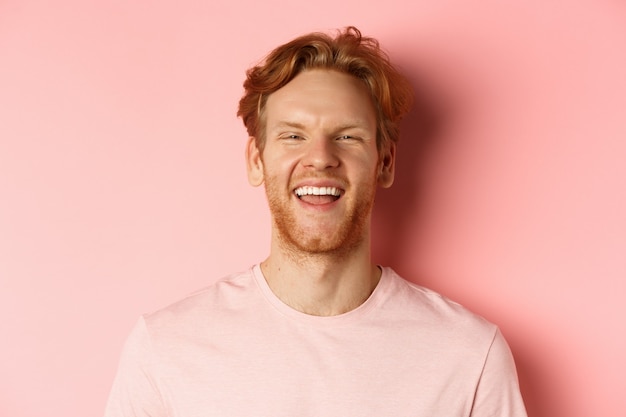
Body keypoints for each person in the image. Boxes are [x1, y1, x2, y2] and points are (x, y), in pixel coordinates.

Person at [104, 26, 527, 416]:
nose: (321, 157)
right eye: (293, 135)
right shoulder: (165, 348)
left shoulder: (469, 355)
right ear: (256, 161)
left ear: (385, 162)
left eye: (347, 135)